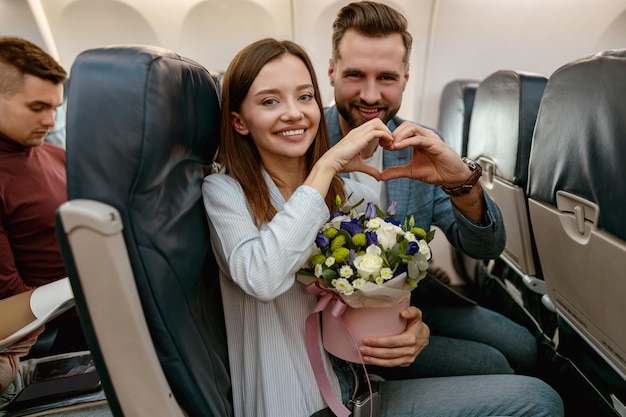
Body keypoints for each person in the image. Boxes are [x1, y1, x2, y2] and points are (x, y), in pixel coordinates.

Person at [202, 37, 563, 417]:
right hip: (303, 401)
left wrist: (411, 329)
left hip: (359, 381)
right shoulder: (226, 191)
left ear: (406, 78)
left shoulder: (356, 192)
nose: (293, 112)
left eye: (303, 96)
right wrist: (325, 167)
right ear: (239, 121)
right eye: (270, 101)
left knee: (526, 370)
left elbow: (382, 284)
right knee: (532, 397)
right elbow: (263, 277)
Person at [326, 1, 538, 379]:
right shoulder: (305, 143)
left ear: (406, 78)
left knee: (523, 346)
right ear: (332, 72)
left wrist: (461, 180)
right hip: (336, 319)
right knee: (494, 366)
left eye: (387, 78)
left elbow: (485, 247)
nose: (371, 95)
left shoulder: (421, 145)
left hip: (411, 298)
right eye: (356, 75)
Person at [0, 37, 86, 355]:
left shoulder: (56, 155)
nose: (50, 121)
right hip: (55, 333)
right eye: (37, 107)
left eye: (54, 108)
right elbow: (10, 297)